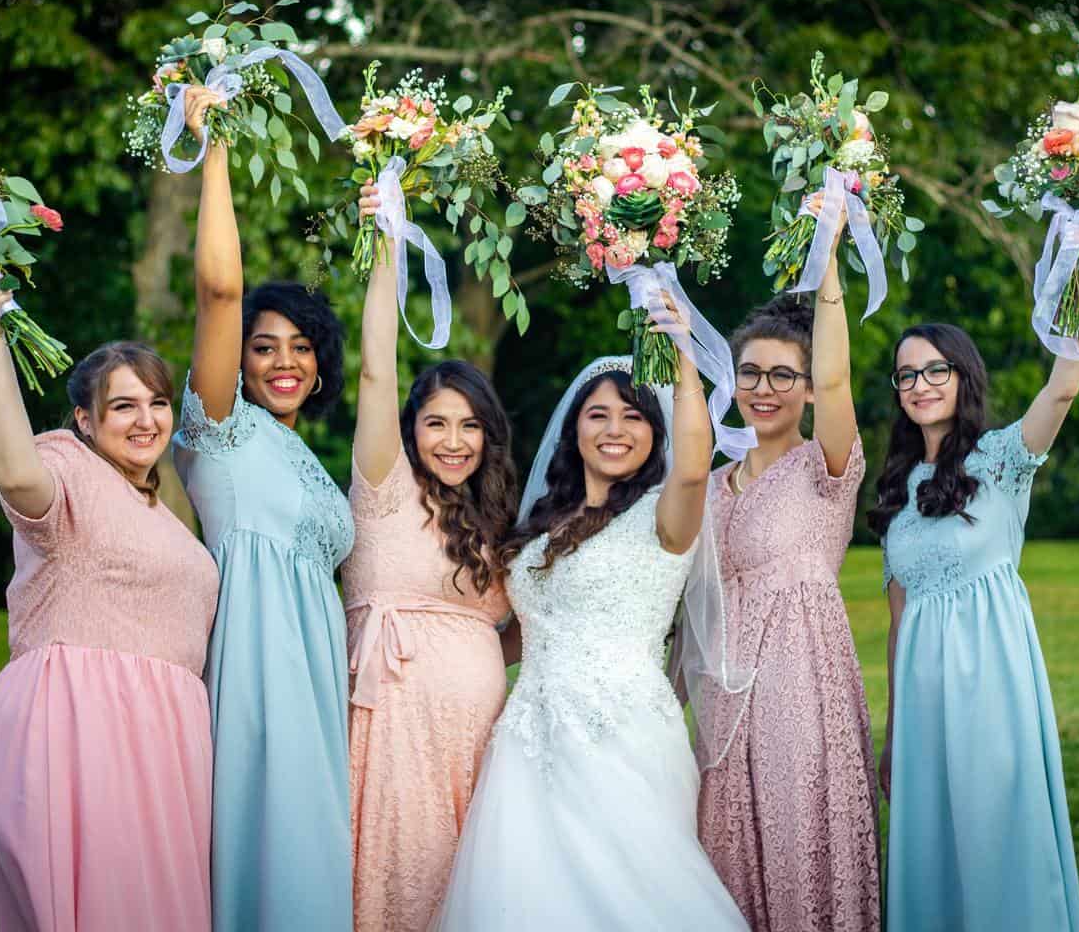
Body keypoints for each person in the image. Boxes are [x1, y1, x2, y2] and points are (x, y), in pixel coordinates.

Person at [432, 304, 749, 931]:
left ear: (656, 433)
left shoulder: (666, 515)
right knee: (526, 894)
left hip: (621, 730)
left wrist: (683, 353)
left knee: (633, 889)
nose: (615, 429)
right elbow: (521, 632)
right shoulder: (543, 526)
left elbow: (695, 459)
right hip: (527, 737)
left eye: (634, 417)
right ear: (573, 428)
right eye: (597, 414)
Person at [0, 267, 219, 932]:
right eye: (123, 405)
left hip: (165, 738)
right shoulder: (69, 469)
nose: (146, 419)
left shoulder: (167, 513)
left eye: (158, 403)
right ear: (85, 419)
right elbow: (15, 473)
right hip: (84, 722)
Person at [872, 219, 1079, 932]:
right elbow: (898, 618)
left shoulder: (1003, 460)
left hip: (994, 686)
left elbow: (1065, 386)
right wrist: (892, 732)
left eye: (935, 369)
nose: (920, 384)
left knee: (998, 830)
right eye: (907, 374)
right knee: (935, 842)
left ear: (962, 375)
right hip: (921, 698)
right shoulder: (897, 489)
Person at [173, 88, 354, 931]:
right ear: (237, 361)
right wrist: (214, 150)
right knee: (268, 850)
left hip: (317, 670)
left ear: (320, 370)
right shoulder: (220, 428)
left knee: (314, 851)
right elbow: (217, 289)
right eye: (262, 345)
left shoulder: (312, 459)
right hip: (256, 665)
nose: (283, 360)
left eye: (301, 347)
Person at [698, 192, 879, 931]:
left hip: (799, 683)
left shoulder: (826, 467)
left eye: (782, 375)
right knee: (722, 847)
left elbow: (840, 379)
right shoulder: (709, 482)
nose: (763, 389)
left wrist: (828, 250)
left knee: (801, 837)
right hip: (720, 688)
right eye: (750, 373)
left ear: (806, 387)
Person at [343, 184, 521, 931]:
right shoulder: (383, 491)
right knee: (398, 877)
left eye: (470, 426)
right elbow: (377, 370)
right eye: (437, 424)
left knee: (466, 886)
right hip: (396, 727)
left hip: (476, 738)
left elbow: (516, 631)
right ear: (410, 428)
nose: (453, 440)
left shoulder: (493, 519)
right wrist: (386, 246)